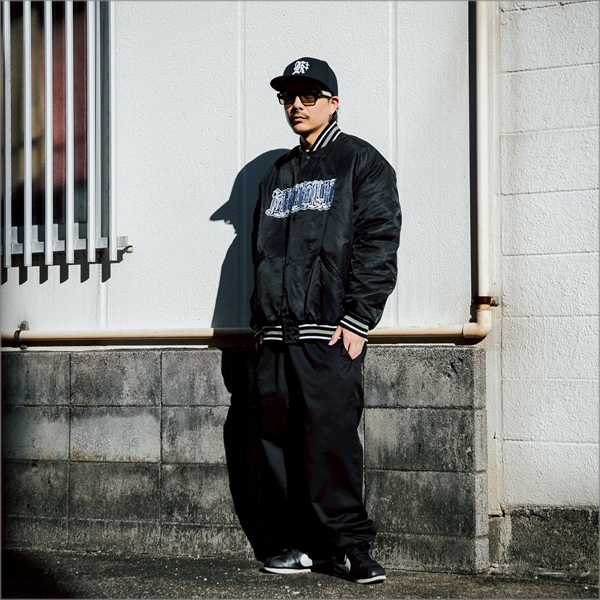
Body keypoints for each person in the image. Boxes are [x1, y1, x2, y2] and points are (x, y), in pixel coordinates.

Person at [249, 57, 401, 585]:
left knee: (330, 439)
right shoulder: (277, 174)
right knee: (279, 442)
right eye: (288, 97)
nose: (296, 105)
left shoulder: (361, 162)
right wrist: (260, 325)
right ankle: (301, 545)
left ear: (333, 103)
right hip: (274, 336)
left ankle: (349, 547)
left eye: (308, 95)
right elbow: (260, 253)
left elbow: (378, 241)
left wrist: (359, 318)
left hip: (328, 332)